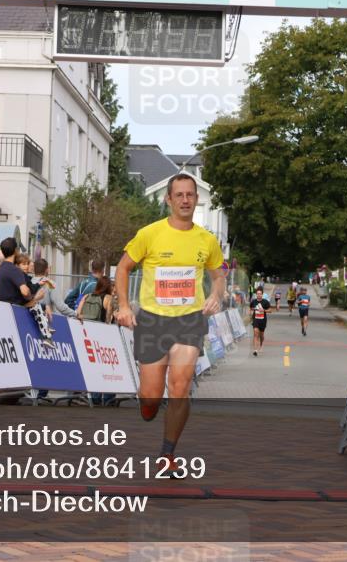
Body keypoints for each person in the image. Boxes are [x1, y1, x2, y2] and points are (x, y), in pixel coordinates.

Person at [115, 173, 225, 474]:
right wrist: (124, 306)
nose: (186, 200)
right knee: (150, 395)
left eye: (190, 195)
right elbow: (123, 269)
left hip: (189, 320)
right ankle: (148, 405)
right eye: (179, 195)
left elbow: (218, 276)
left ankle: (167, 453)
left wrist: (216, 295)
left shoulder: (207, 239)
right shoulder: (149, 234)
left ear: (196, 199)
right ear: (168, 199)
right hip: (152, 320)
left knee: (180, 387)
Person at [249, 287, 272, 356]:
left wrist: (264, 310)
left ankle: (261, 345)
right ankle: (255, 350)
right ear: (256, 295)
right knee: (256, 333)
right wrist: (250, 312)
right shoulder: (253, 301)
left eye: (260, 294)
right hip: (255, 319)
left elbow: (270, 310)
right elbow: (250, 308)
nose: (259, 295)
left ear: (262, 294)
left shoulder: (265, 302)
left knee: (261, 335)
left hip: (263, 320)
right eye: (258, 294)